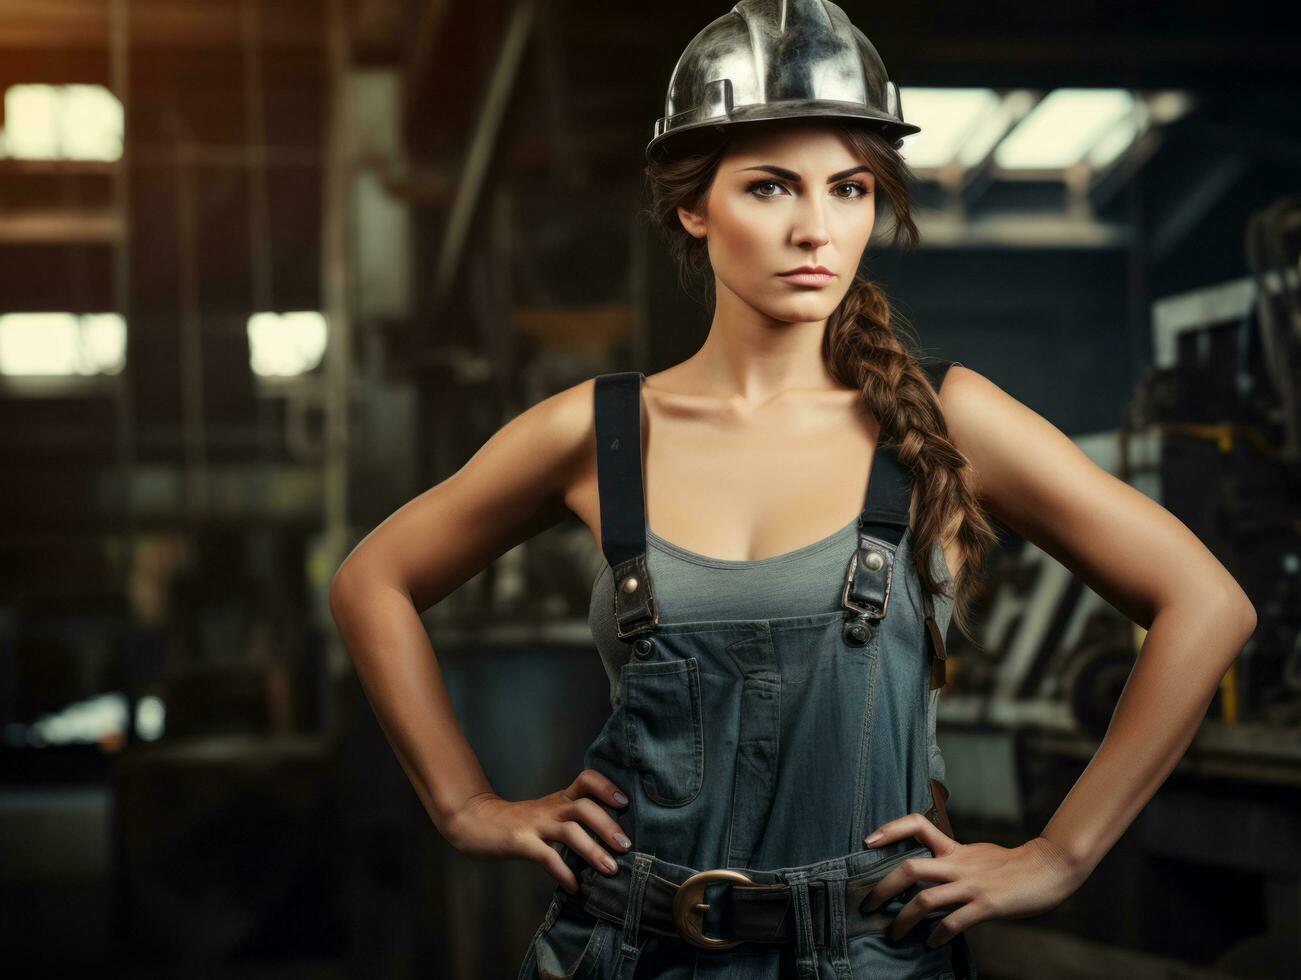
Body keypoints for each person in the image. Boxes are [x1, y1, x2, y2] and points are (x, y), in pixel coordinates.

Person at [328, 2, 1258, 977]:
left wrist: (1059, 854)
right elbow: (371, 579)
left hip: (868, 956)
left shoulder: (944, 421)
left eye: (848, 188)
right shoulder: (599, 431)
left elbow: (1204, 603)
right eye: (770, 186)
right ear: (693, 205)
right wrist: (464, 803)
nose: (815, 227)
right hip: (619, 950)